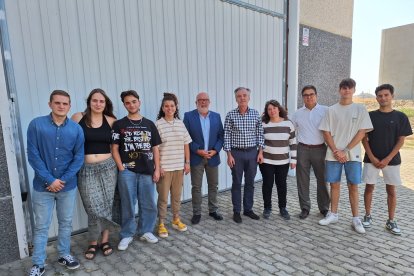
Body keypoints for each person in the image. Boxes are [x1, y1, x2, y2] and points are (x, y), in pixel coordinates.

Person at [27, 90, 84, 276]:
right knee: (42, 226)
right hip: (42, 187)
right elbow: (33, 155)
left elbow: (78, 157)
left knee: (66, 223)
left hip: (67, 187)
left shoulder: (76, 129)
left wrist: (63, 179)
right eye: (57, 103)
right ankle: (38, 264)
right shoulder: (36, 125)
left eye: (65, 103)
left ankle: (64, 254)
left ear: (69, 106)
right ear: (50, 104)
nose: (61, 106)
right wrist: (50, 180)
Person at [318, 78, 373, 234]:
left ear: (354, 90)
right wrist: (336, 150)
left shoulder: (360, 109)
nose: (346, 90)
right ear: (339, 90)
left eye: (349, 88)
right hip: (333, 154)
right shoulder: (331, 110)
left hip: (353, 155)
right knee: (334, 184)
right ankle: (333, 214)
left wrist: (345, 150)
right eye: (343, 88)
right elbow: (326, 132)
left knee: (353, 186)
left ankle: (356, 219)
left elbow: (362, 132)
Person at [111, 90, 161, 251]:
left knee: (148, 203)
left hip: (147, 170)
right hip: (127, 171)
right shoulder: (119, 125)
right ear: (124, 105)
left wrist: (157, 169)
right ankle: (127, 234)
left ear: (139, 102)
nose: (131, 105)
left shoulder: (149, 124)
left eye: (134, 101)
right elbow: (114, 148)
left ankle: (146, 231)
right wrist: (121, 167)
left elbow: (155, 149)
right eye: (127, 102)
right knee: (128, 204)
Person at [71, 88, 117, 260]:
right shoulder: (77, 118)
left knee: (107, 205)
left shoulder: (111, 121)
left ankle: (104, 240)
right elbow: (70, 143)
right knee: (92, 207)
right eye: (95, 100)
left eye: (101, 101)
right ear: (89, 102)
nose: (98, 104)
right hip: (86, 169)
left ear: (105, 104)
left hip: (108, 168)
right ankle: (92, 241)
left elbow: (116, 147)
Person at [361, 84, 412, 235]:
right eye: (380, 95)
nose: (383, 98)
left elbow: (401, 140)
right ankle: (368, 216)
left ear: (392, 96)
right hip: (371, 160)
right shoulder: (370, 116)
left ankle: (391, 221)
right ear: (376, 97)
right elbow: (364, 138)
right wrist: (371, 156)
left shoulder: (400, 117)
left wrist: (387, 158)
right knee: (369, 187)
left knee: (391, 190)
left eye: (386, 95)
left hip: (392, 161)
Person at [224, 87, 265, 223]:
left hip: (252, 153)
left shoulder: (255, 114)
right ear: (236, 98)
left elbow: (260, 134)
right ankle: (237, 211)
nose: (242, 98)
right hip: (236, 153)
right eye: (239, 96)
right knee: (236, 182)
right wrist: (229, 155)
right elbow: (227, 136)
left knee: (250, 182)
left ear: (249, 97)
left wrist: (260, 152)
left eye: (244, 95)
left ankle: (248, 209)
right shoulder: (230, 115)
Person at [183, 92, 224, 225]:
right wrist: (197, 150)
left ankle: (213, 210)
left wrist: (216, 150)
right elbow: (186, 137)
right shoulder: (188, 116)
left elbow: (221, 137)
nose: (203, 102)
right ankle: (197, 213)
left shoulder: (216, 117)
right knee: (196, 187)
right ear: (196, 102)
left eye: (206, 100)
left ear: (209, 102)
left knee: (213, 185)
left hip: (212, 157)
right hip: (196, 157)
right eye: (200, 100)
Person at [155, 92, 192, 238]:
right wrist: (158, 167)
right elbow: (155, 148)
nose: (169, 108)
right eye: (166, 106)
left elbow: (186, 145)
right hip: (165, 169)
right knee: (163, 198)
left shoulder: (180, 123)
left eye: (172, 106)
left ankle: (176, 219)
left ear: (176, 107)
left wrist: (187, 163)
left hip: (179, 167)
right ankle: (161, 223)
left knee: (177, 196)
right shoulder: (157, 124)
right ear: (162, 108)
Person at [291, 85, 330, 219]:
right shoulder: (297, 114)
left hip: (320, 149)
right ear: (302, 97)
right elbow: (290, 131)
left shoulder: (325, 110)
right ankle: (305, 208)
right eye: (306, 95)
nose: (309, 97)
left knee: (323, 179)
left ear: (316, 95)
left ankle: (324, 208)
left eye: (311, 94)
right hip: (302, 149)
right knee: (302, 180)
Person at [259, 100, 297, 220]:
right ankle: (267, 208)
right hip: (266, 162)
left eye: (274, 108)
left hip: (283, 162)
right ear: (267, 111)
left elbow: (293, 143)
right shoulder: (263, 123)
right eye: (269, 109)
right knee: (267, 185)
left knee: (282, 185)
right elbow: (259, 141)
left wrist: (294, 160)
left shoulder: (288, 124)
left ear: (279, 109)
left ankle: (283, 208)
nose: (272, 111)